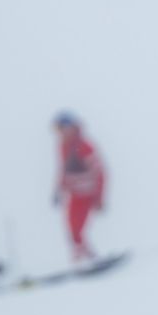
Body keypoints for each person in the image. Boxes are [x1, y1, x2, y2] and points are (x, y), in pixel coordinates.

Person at [52, 112, 106, 262]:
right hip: (74, 195)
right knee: (72, 227)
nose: (61, 133)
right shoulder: (63, 147)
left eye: (62, 128)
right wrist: (58, 190)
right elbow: (63, 170)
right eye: (58, 130)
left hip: (88, 194)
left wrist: (99, 197)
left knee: (78, 226)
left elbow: (100, 172)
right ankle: (82, 256)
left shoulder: (85, 146)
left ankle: (86, 257)